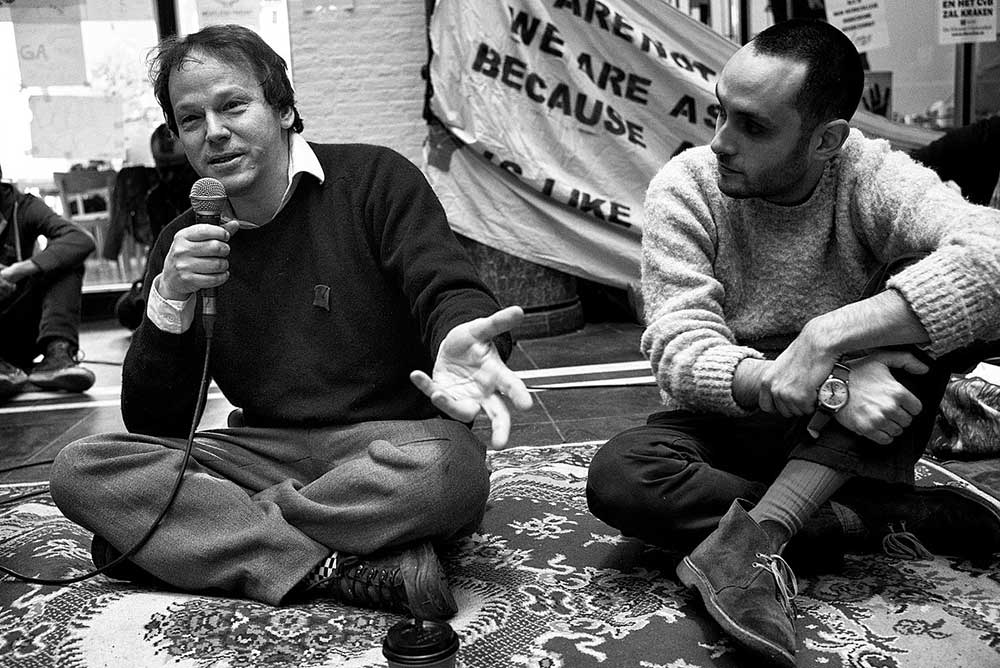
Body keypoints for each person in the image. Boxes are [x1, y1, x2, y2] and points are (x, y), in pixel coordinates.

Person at [49, 24, 533, 622]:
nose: (215, 132)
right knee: (81, 469)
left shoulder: (375, 181)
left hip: (388, 444)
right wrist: (169, 301)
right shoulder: (183, 241)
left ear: (282, 108)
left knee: (450, 469)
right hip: (264, 447)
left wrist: (466, 336)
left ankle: (206, 537)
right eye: (191, 119)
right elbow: (156, 424)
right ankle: (338, 566)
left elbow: (451, 291)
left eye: (233, 105)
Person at [585, 19, 1000, 668]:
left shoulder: (871, 177)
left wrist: (830, 336)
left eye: (753, 127)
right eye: (721, 114)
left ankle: (754, 540)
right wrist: (828, 381)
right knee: (621, 481)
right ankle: (885, 518)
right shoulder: (687, 186)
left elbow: (994, 258)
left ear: (827, 140)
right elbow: (680, 353)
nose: (720, 142)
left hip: (854, 431)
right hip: (736, 416)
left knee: (928, 290)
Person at [0, 164, 97, 400]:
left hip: (21, 326)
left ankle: (57, 355)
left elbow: (80, 239)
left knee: (66, 263)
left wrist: (16, 271)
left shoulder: (23, 206)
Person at [114, 123, 199, 330]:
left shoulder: (207, 193)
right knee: (126, 309)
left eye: (177, 170)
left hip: (205, 276)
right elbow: (156, 246)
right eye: (164, 169)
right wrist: (147, 284)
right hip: (172, 274)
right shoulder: (157, 198)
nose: (169, 177)